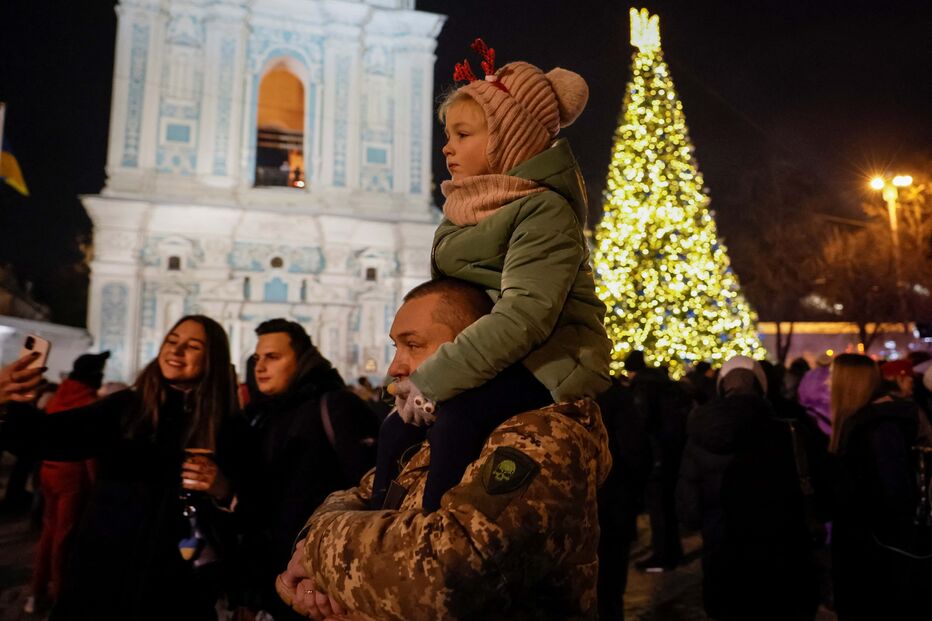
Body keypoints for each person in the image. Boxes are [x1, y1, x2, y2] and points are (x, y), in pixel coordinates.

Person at [275, 278, 611, 620]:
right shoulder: (427, 434)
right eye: (395, 346)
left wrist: (317, 552)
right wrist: (317, 568)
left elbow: (445, 573)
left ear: (475, 349)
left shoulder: (539, 435)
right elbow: (353, 497)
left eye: (414, 345)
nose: (395, 367)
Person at [375, 39, 612, 513]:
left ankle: (435, 532)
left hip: (548, 361)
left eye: (463, 134)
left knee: (457, 417)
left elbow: (526, 315)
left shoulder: (543, 210)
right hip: (487, 358)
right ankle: (379, 525)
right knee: (394, 429)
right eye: (448, 134)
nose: (447, 146)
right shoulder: (463, 209)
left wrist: (434, 377)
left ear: (510, 138)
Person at [4, 315, 244, 621]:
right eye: (172, 341)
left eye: (193, 346)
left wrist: (224, 490)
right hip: (106, 568)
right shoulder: (126, 408)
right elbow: (49, 437)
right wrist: (10, 404)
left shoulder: (228, 426)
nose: (177, 350)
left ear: (214, 358)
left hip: (177, 584)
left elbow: (252, 506)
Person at [236, 319, 378, 620]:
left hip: (318, 586)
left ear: (301, 360)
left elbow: (371, 492)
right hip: (273, 579)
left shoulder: (335, 406)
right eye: (257, 358)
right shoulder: (261, 417)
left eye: (273, 357)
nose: (260, 367)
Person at [677, 356, 829, 620]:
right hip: (784, 553)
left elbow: (688, 503)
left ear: (722, 385)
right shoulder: (790, 426)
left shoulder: (701, 429)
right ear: (761, 384)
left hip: (723, 549)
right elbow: (822, 486)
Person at [830, 353, 932, 620]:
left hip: (876, 550)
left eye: (834, 378)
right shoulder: (866, 424)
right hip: (869, 545)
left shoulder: (877, 428)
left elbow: (894, 493)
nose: (829, 385)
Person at [26, 351, 110, 615]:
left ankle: (35, 593)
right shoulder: (86, 401)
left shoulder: (61, 394)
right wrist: (98, 484)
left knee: (49, 534)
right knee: (65, 538)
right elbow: (89, 451)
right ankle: (60, 598)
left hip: (48, 474)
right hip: (71, 480)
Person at [625, 350, 690, 572]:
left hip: (656, 455)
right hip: (672, 452)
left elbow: (642, 422)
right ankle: (674, 553)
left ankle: (662, 555)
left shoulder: (644, 387)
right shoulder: (664, 383)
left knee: (659, 507)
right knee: (668, 505)